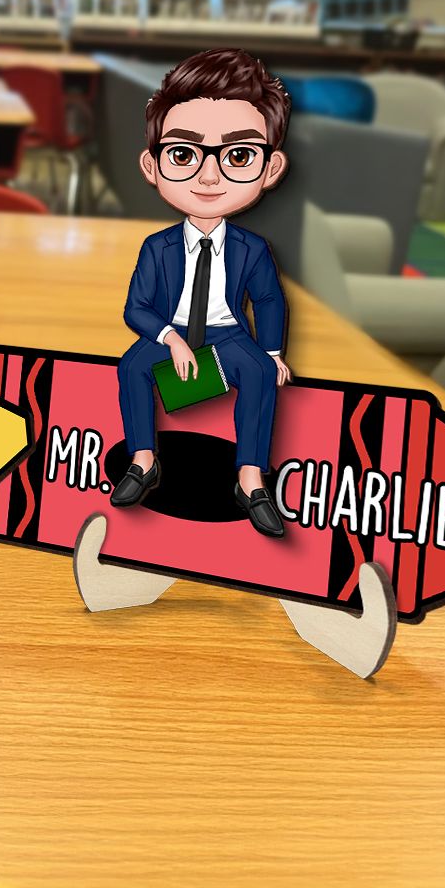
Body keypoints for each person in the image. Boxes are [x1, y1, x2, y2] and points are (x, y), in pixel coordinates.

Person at [111, 48, 293, 538]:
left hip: (228, 334)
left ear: (271, 168)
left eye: (238, 156)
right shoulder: (157, 247)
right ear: (152, 165)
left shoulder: (253, 248)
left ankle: (250, 479)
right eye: (184, 155)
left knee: (259, 373)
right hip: (171, 330)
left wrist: (273, 352)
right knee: (131, 366)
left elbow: (269, 300)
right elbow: (136, 308)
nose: (209, 176)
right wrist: (170, 339)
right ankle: (143, 460)